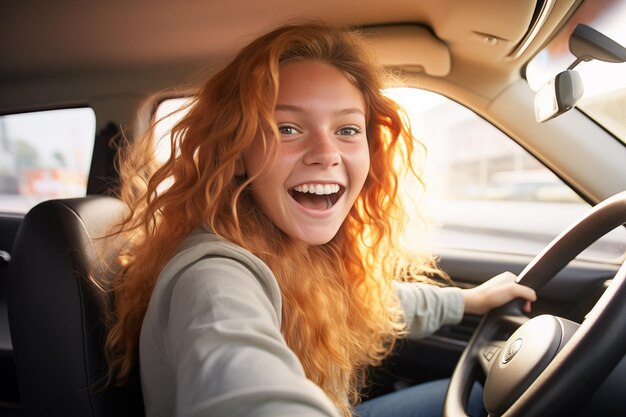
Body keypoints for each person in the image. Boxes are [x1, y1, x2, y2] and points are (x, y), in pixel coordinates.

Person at [101, 22, 536, 417]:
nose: (326, 154)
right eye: (287, 128)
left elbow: (371, 301)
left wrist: (468, 301)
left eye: (347, 130)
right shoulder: (214, 274)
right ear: (236, 153)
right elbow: (244, 383)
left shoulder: (297, 248)